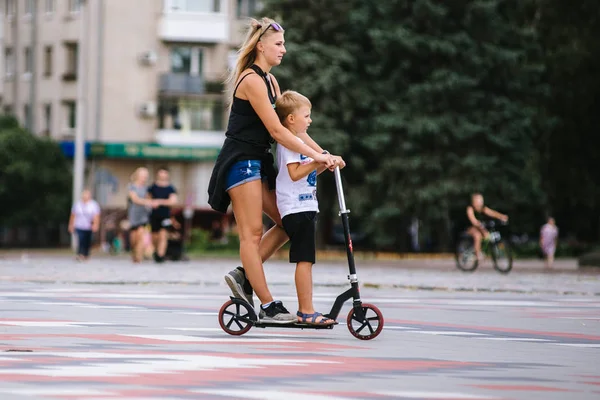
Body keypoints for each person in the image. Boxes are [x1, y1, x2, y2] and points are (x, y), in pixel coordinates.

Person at [207, 17, 343, 323]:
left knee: (287, 221)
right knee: (252, 234)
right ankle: (268, 304)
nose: (284, 49)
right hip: (240, 162)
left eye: (284, 44)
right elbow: (278, 133)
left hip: (259, 162)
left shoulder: (270, 82)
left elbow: (291, 128)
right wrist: (316, 158)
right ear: (260, 46)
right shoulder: (252, 81)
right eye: (279, 44)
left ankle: (243, 275)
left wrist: (324, 154)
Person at [275, 90, 337, 325]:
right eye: (306, 116)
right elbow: (294, 173)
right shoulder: (290, 143)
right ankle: (306, 311)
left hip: (306, 206)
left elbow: (309, 170)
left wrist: (327, 163)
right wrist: (317, 160)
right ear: (291, 119)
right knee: (305, 259)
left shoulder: (299, 143)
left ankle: (306, 309)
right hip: (295, 208)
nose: (310, 120)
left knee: (307, 259)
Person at [466, 193, 509, 263]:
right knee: (477, 235)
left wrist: (501, 216)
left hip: (480, 227)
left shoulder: (483, 208)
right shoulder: (470, 209)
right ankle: (477, 254)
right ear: (473, 202)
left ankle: (483, 249)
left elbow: (492, 213)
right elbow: (473, 220)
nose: (479, 203)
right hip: (471, 228)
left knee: (487, 235)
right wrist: (478, 223)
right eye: (478, 201)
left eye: (481, 201)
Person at [148, 167, 178, 263]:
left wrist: (159, 202)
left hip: (165, 215)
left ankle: (161, 255)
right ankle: (156, 252)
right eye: (161, 173)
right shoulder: (152, 187)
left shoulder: (170, 188)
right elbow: (147, 199)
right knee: (155, 237)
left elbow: (173, 201)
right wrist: (151, 203)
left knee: (163, 235)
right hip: (154, 215)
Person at [127, 167, 154, 263]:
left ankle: (139, 256)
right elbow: (135, 199)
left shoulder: (147, 188)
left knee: (141, 235)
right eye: (142, 175)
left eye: (146, 176)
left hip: (144, 215)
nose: (144, 178)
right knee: (134, 239)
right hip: (134, 215)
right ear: (138, 176)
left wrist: (151, 203)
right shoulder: (132, 187)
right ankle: (134, 252)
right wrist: (147, 202)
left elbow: (150, 199)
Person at [68, 189, 101, 261]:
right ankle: (80, 254)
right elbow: (73, 215)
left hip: (89, 226)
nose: (85, 196)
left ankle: (86, 254)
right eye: (84, 194)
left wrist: (96, 224)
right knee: (81, 240)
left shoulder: (93, 204)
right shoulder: (77, 204)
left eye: (87, 195)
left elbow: (96, 216)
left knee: (87, 241)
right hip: (79, 225)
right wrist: (71, 225)